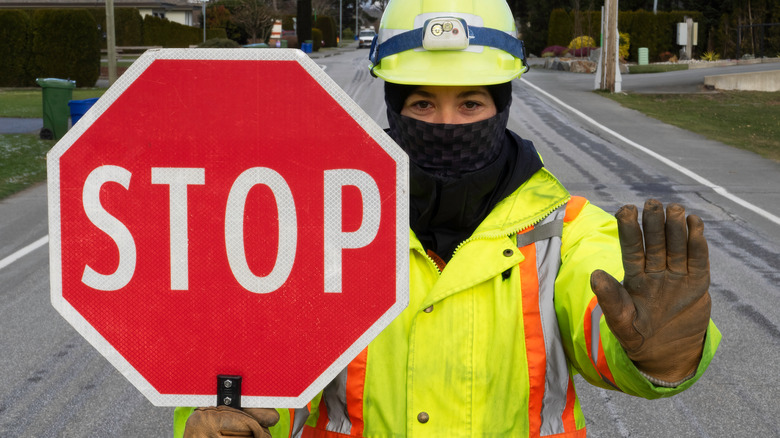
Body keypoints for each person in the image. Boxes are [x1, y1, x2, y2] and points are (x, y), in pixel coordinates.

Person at [175, 1, 720, 436]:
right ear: (393, 109)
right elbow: (264, 377)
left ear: (501, 106)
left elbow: (610, 322)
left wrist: (664, 355)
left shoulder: (568, 231)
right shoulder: (321, 230)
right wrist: (226, 421)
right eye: (422, 106)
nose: (446, 123)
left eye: (470, 104)